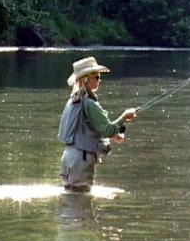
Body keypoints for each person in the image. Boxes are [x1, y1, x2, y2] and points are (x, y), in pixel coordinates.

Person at [58, 57, 137, 192]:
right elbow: (107, 129)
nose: (100, 80)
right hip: (81, 160)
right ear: (85, 79)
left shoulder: (73, 101)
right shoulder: (90, 104)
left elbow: (84, 129)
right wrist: (124, 116)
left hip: (68, 158)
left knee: (72, 201)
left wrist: (113, 136)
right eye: (97, 77)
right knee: (81, 205)